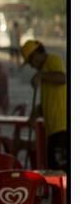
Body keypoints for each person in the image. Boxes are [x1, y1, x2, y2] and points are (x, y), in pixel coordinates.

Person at [20, 39, 67, 170]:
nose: (31, 66)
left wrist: (41, 75)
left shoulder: (53, 60)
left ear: (36, 54)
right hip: (53, 130)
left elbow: (63, 78)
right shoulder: (45, 72)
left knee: (60, 172)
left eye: (30, 61)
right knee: (53, 169)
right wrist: (38, 110)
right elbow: (53, 99)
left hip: (62, 129)